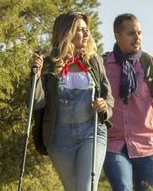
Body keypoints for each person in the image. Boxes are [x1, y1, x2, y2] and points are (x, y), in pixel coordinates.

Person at [30, 12, 114, 191]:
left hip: (92, 132)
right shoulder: (48, 65)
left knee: (86, 188)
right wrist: (35, 77)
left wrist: (104, 106)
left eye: (86, 30)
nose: (86, 34)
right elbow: (36, 103)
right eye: (80, 30)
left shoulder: (95, 61)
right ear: (66, 33)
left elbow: (109, 97)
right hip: (59, 138)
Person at [102, 13, 153, 191]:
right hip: (113, 144)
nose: (137, 37)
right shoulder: (103, 64)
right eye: (131, 33)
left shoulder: (151, 64)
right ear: (117, 36)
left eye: (139, 32)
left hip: (148, 145)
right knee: (122, 188)